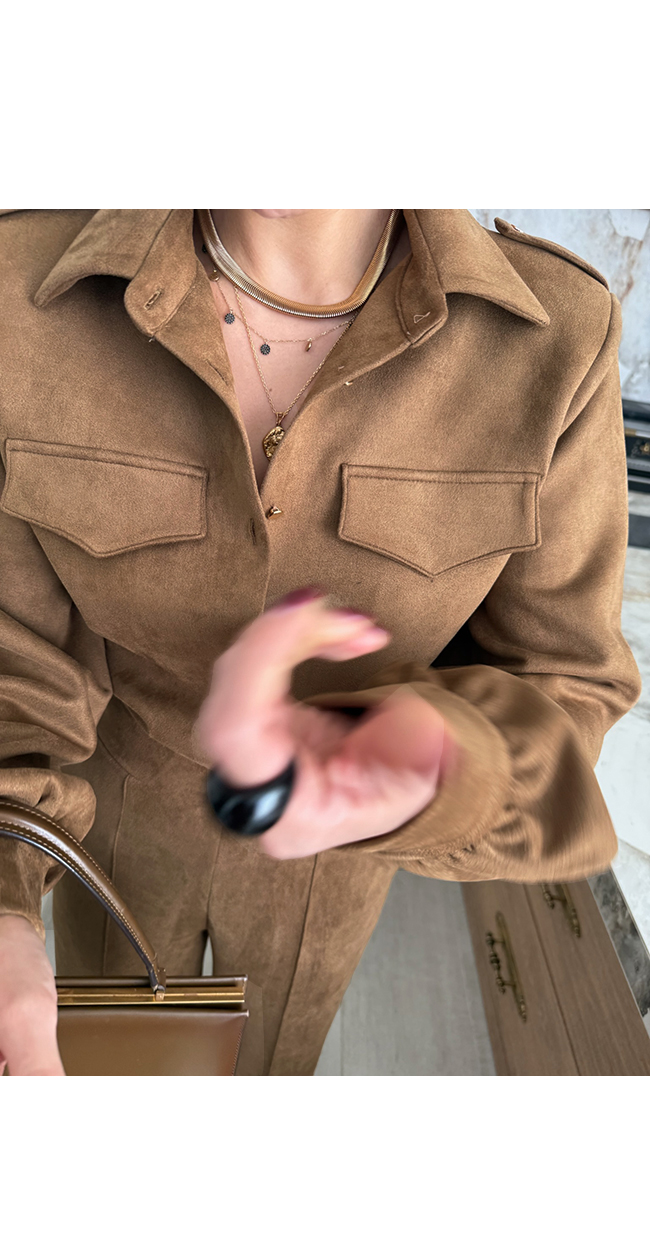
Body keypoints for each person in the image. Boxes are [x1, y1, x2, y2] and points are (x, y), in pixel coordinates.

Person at [0, 208, 641, 1076]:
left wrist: (436, 767)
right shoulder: (20, 288)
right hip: (106, 829)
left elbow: (567, 682)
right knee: (106, 1064)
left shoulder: (555, 337)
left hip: (331, 878)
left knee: (275, 1067)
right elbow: (14, 662)